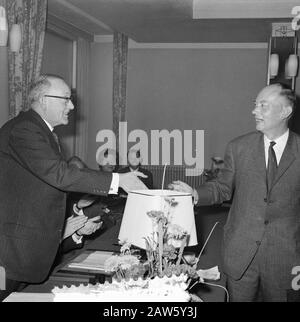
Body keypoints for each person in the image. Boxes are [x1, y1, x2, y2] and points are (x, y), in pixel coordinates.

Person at [0, 74, 146, 299]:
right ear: (44, 100)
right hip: (13, 250)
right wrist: (117, 180)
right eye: (66, 99)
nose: (72, 105)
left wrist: (73, 221)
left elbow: (42, 186)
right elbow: (60, 174)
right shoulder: (25, 129)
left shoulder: (38, 130)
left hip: (26, 247)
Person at [170, 83, 300, 302]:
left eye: (263, 106)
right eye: (255, 105)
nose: (254, 111)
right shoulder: (239, 147)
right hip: (241, 253)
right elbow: (222, 188)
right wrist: (195, 194)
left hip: (285, 258)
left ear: (285, 112)